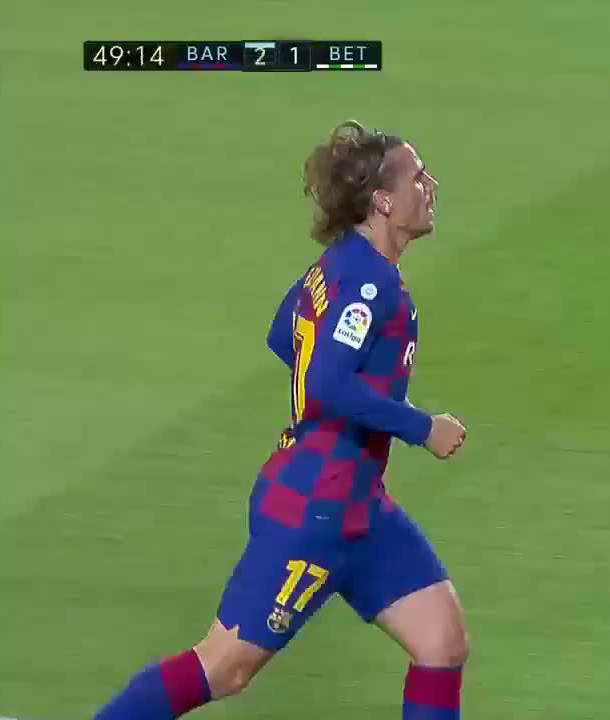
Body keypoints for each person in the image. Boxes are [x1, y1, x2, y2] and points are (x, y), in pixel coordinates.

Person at [93, 120, 471, 720]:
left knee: (442, 643)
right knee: (224, 667)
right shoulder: (371, 283)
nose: (431, 185)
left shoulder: (342, 263)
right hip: (315, 512)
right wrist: (422, 427)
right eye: (417, 178)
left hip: (359, 506)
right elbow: (325, 382)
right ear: (382, 201)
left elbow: (284, 332)